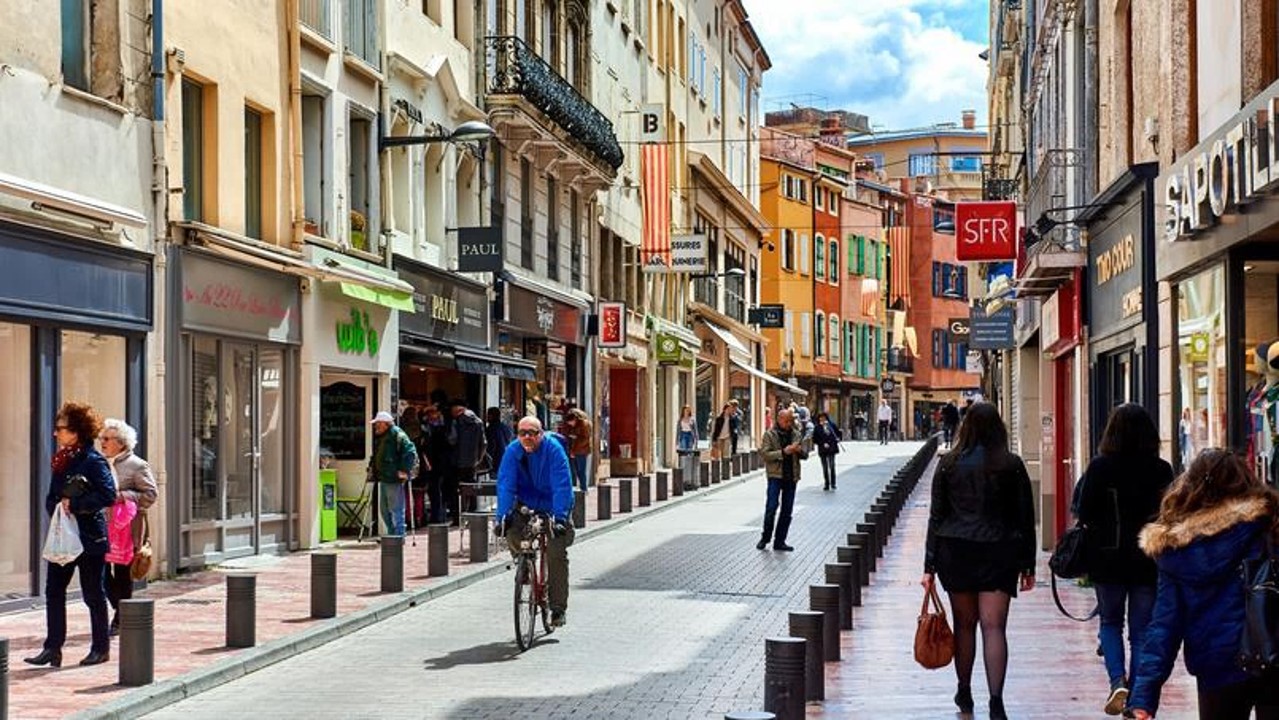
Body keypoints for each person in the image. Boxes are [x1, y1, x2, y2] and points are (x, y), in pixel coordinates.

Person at [1128, 449, 1279, 720]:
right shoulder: (1269, 524)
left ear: (1191, 487)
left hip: (1216, 665)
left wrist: (1144, 696)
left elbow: (1164, 625)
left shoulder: (1177, 550)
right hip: (1274, 653)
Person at [922, 402, 1036, 720]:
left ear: (965, 426)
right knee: (994, 627)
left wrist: (928, 566)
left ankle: (965, 690)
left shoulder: (948, 464)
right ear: (999, 428)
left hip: (956, 552)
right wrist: (1028, 564)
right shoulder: (1011, 465)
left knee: (965, 626)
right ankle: (996, 700)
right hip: (999, 552)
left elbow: (936, 517)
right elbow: (1025, 517)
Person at [1074, 404, 1174, 715]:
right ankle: (1138, 696)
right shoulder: (1161, 470)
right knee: (1142, 629)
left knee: (1110, 621)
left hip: (1108, 558)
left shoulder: (1100, 467)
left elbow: (1084, 511)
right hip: (1148, 558)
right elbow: (1171, 513)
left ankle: (1117, 680)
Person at [25, 402, 117, 668]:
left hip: (89, 538)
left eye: (60, 429)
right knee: (53, 590)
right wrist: (55, 509)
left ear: (76, 431)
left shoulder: (93, 460)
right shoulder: (63, 458)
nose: (56, 434)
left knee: (93, 594)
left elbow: (108, 495)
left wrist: (75, 505)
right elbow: (53, 495)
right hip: (63, 536)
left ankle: (100, 648)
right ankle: (52, 648)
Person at [495, 416, 576, 626]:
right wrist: (501, 517)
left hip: (554, 504)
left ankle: (558, 608)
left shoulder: (554, 450)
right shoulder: (513, 451)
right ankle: (523, 563)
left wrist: (560, 518)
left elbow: (562, 485)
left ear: (541, 433)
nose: (527, 437)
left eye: (532, 432)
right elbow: (506, 484)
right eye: (523, 433)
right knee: (512, 529)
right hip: (526, 503)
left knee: (556, 553)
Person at [98, 418, 158, 637]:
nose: (102, 442)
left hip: (127, 529)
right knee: (100, 573)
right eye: (101, 438)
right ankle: (122, 609)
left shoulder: (137, 465)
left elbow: (150, 495)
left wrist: (121, 496)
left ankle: (121, 619)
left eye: (107, 439)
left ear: (121, 442)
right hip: (102, 527)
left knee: (123, 574)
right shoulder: (101, 463)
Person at [757, 408, 809, 552]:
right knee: (771, 507)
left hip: (791, 477)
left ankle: (780, 541)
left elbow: (805, 455)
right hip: (775, 476)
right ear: (779, 419)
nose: (788, 423)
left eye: (790, 421)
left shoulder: (796, 434)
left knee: (787, 510)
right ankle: (765, 538)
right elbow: (765, 454)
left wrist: (799, 451)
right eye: (786, 421)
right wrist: (783, 452)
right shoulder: (769, 435)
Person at [369, 410, 417, 536]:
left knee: (396, 509)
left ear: (385, 424)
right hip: (384, 477)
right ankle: (391, 534)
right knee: (384, 510)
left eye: (378, 424)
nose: (376, 426)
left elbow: (410, 452)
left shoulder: (397, 434)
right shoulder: (383, 436)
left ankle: (399, 535)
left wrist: (403, 470)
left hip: (393, 478)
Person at [448, 399, 487, 517]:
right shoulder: (478, 421)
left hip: (457, 461)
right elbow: (484, 443)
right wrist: (479, 459)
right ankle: (472, 511)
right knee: (471, 486)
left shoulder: (456, 421)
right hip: (473, 462)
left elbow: (452, 440)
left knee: (457, 488)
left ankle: (459, 514)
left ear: (457, 410)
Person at [421, 404, 452, 524]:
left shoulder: (436, 429)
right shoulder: (440, 427)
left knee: (436, 490)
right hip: (438, 463)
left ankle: (437, 516)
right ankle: (439, 515)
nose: (430, 416)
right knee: (437, 490)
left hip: (437, 463)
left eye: (432, 413)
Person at [557, 408, 593, 493]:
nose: (570, 424)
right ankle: (573, 488)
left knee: (581, 470)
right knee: (572, 470)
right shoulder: (572, 426)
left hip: (581, 451)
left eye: (571, 422)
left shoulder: (584, 424)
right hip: (573, 450)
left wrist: (574, 448)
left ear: (575, 419)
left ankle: (583, 489)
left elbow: (584, 439)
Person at [812, 411, 842, 491]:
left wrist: (837, 439)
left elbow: (838, 434)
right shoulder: (817, 428)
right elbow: (815, 439)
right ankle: (826, 484)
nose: (822, 420)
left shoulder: (831, 425)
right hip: (822, 450)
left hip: (832, 448)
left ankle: (833, 483)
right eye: (820, 418)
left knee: (832, 466)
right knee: (825, 467)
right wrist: (822, 443)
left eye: (824, 418)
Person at [484, 407, 515, 478]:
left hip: (496, 462)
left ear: (491, 416)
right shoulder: (505, 427)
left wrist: (488, 462)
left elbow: (491, 447)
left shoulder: (491, 429)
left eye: (488, 415)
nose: (486, 417)